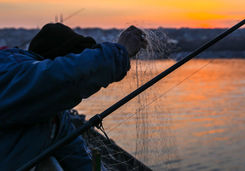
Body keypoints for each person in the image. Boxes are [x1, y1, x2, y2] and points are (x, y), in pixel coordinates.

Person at [0, 23, 147, 170]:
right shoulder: (12, 74)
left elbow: (78, 158)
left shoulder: (55, 119)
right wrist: (119, 53)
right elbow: (59, 77)